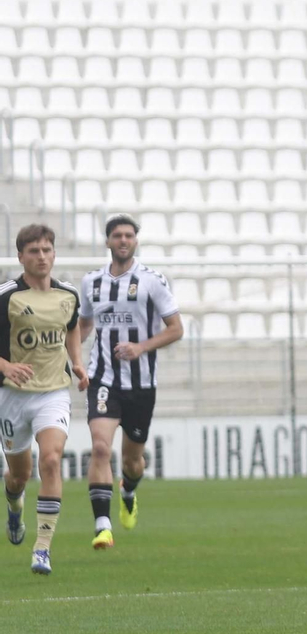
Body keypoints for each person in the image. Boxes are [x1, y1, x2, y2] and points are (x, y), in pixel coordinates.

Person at [77, 215, 184, 548]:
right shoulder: (91, 282)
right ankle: (103, 527)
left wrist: (141, 347)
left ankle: (128, 490)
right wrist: (74, 359)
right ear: (107, 241)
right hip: (103, 378)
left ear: (135, 241)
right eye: (117, 235)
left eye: (128, 235)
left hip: (141, 384)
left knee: (132, 462)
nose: (123, 240)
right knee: (99, 447)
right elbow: (84, 324)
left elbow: (176, 329)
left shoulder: (152, 280)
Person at [0, 225, 88, 575]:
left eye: (47, 250)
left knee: (51, 460)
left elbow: (72, 327)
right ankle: (14, 506)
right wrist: (6, 366)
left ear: (54, 254)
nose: (42, 257)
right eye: (34, 251)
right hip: (12, 396)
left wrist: (77, 362)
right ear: (20, 256)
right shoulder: (6, 296)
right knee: (19, 475)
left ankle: (42, 549)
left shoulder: (68, 294)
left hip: (53, 391)